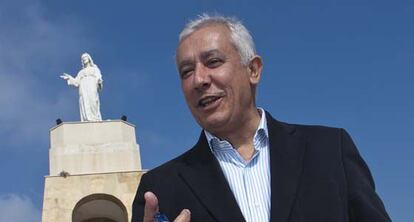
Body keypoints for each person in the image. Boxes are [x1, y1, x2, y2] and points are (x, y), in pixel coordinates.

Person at [132, 14, 391, 222]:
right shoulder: (159, 189)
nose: (199, 79)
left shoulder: (330, 150)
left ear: (253, 70)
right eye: (186, 71)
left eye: (213, 61)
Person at [61, 52, 103, 122]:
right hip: (83, 88)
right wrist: (69, 78)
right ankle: (87, 119)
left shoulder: (95, 69)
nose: (84, 59)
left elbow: (99, 77)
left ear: (89, 58)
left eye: (85, 57)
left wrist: (99, 81)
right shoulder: (81, 72)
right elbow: (76, 82)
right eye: (82, 59)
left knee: (93, 100)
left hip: (92, 85)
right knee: (84, 101)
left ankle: (95, 118)